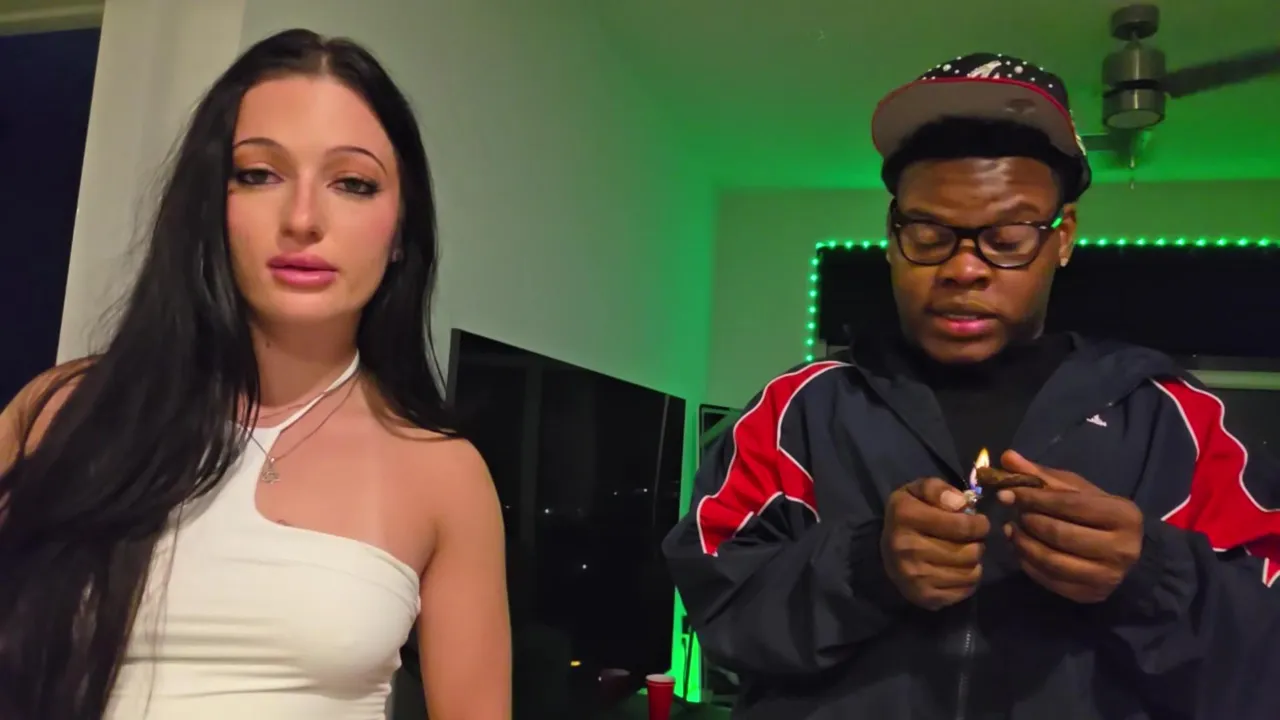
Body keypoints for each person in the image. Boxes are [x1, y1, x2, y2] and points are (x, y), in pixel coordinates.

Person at [663, 52, 1280, 719]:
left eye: (1007, 237)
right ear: (892, 235)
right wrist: (865, 568)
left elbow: (1263, 655)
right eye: (930, 233)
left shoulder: (1176, 419)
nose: (963, 269)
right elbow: (718, 609)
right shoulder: (797, 412)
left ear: (1063, 237)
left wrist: (1148, 576)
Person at [0, 29, 510, 720]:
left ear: (400, 233)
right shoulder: (62, 411)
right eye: (259, 174)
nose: (302, 219)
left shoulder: (444, 474)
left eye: (353, 184)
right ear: (210, 206)